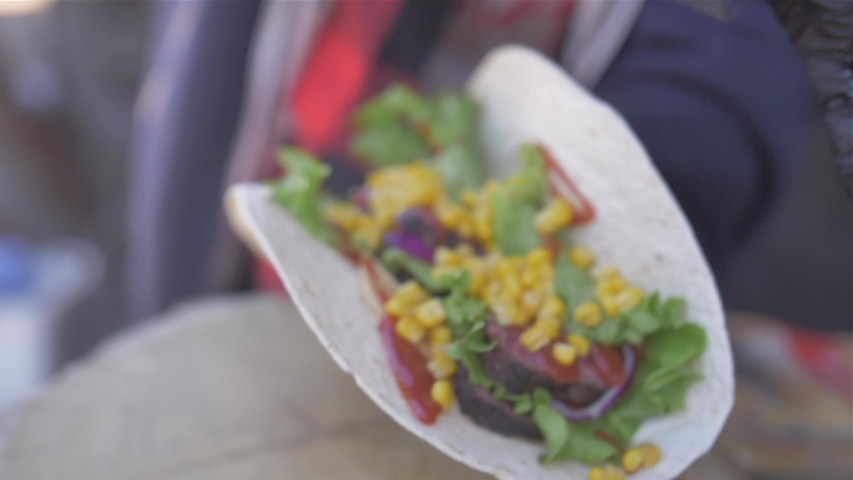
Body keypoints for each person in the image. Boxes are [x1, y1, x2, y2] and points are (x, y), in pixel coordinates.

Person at [126, 0, 835, 320]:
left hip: (542, 293)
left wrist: (597, 231)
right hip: (253, 285)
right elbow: (195, 92)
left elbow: (720, 73)